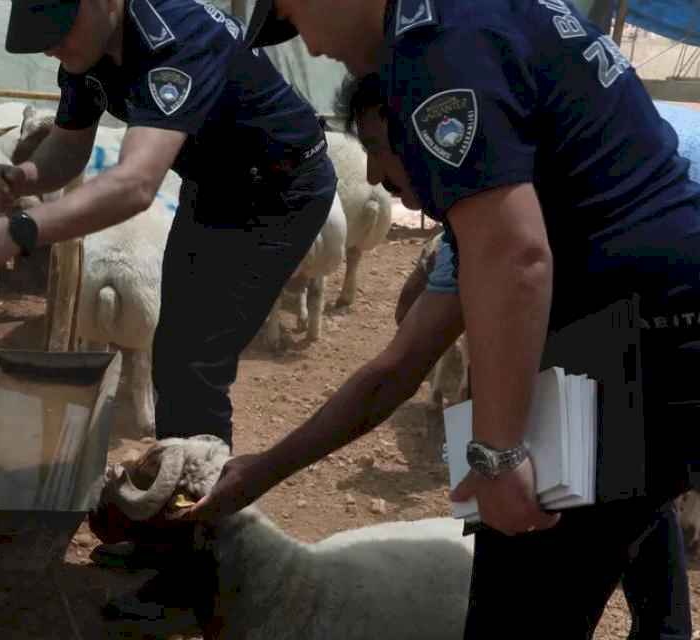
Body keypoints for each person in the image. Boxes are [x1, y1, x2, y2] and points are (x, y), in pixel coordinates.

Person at [176, 0, 700, 636]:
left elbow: (516, 255)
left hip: (631, 343)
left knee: (516, 612)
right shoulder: (480, 22)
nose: (310, 46)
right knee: (539, 586)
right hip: (643, 337)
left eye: (293, 16)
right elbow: (396, 370)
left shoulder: (431, 49)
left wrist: (499, 456)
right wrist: (262, 470)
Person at [0, 0, 338, 616]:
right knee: (176, 350)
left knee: (195, 362)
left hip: (277, 190)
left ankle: (198, 567)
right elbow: (69, 148)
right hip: (215, 185)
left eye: (58, 34)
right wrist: (26, 175)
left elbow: (136, 184)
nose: (51, 51)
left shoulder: (177, 39)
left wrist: (15, 233)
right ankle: (171, 530)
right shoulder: (87, 49)